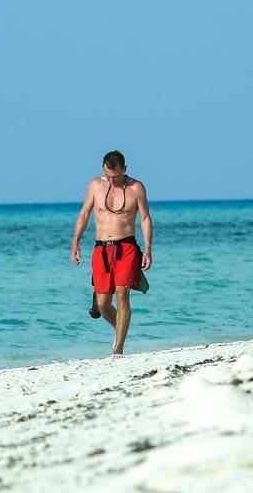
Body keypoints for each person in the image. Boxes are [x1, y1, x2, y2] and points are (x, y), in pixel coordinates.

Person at [70, 150, 153, 356]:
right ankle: (121, 329)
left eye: (115, 176)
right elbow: (85, 214)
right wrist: (75, 242)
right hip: (101, 249)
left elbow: (145, 219)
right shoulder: (95, 186)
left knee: (122, 295)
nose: (111, 179)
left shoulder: (136, 188)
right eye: (107, 175)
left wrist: (148, 249)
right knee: (102, 303)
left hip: (126, 248)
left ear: (124, 169)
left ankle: (118, 349)